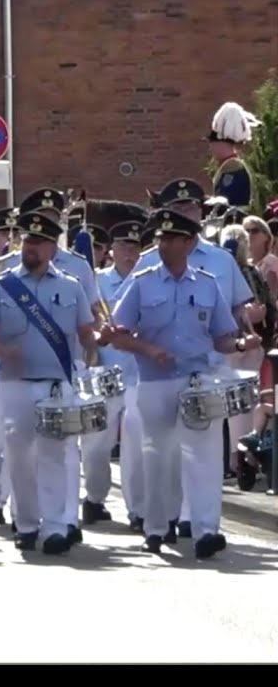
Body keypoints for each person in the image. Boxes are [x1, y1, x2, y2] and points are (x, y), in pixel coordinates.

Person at [111, 207, 258, 558]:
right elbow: (117, 334)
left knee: (204, 456)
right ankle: (158, 527)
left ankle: (207, 530)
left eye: (172, 238)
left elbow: (222, 336)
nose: (163, 244)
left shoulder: (207, 285)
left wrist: (239, 344)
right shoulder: (142, 282)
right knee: (159, 457)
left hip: (198, 381)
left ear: (190, 242)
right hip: (155, 381)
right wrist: (148, 348)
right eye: (160, 238)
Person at [0, 210, 101, 554]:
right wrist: (3, 350)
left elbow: (86, 333)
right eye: (26, 240)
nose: (29, 247)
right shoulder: (3, 285)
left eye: (37, 242)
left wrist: (103, 339)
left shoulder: (71, 287)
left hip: (57, 384)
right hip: (14, 383)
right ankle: (27, 523)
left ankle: (56, 526)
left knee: (55, 454)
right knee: (19, 455)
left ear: (51, 247)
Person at [96, 220, 149, 533]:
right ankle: (94, 496)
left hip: (139, 374)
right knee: (96, 447)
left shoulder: (147, 282)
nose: (130, 252)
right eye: (124, 246)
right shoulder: (97, 282)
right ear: (111, 249)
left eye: (135, 246)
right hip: (105, 374)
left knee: (133, 445)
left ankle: (137, 509)